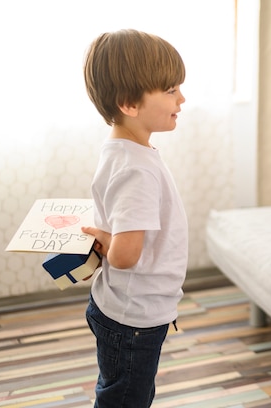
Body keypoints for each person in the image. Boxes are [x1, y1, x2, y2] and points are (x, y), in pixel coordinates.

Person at [80, 29, 188, 408]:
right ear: (129, 103)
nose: (182, 98)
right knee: (126, 398)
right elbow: (125, 255)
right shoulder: (137, 168)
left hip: (126, 311)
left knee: (122, 390)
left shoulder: (121, 150)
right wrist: (108, 242)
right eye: (171, 90)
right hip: (134, 319)